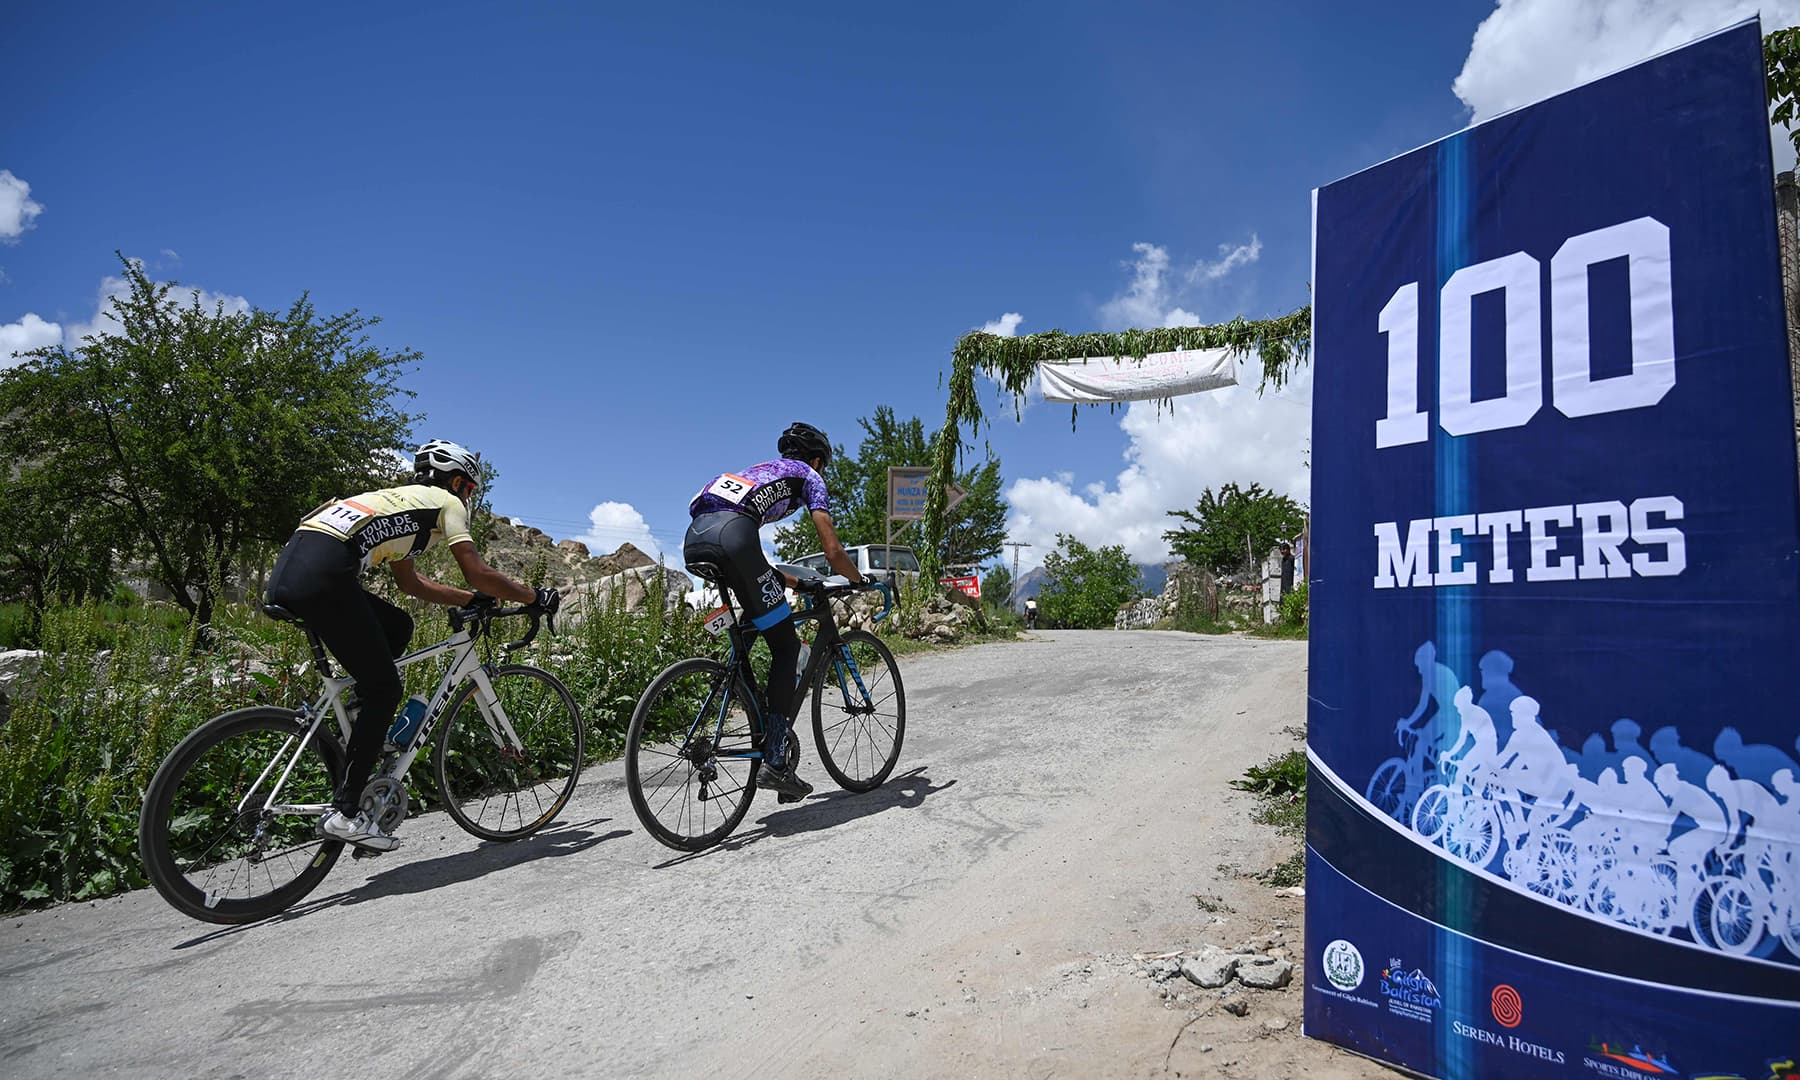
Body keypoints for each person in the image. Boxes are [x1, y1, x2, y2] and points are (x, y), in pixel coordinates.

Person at [264, 439, 559, 851]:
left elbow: (409, 583)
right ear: (458, 482)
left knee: (398, 627)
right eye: (471, 490)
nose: (469, 498)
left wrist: (468, 600)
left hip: (295, 567)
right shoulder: (446, 503)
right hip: (326, 574)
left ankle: (364, 722)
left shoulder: (397, 503)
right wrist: (533, 597)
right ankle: (348, 814)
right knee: (387, 687)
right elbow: (476, 570)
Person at [684, 422, 863, 802]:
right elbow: (832, 551)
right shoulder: (809, 475)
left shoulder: (761, 473)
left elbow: (752, 557)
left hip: (697, 538)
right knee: (784, 647)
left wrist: (795, 583)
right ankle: (777, 761)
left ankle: (743, 702)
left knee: (753, 629)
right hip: (734, 537)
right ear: (816, 459)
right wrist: (857, 578)